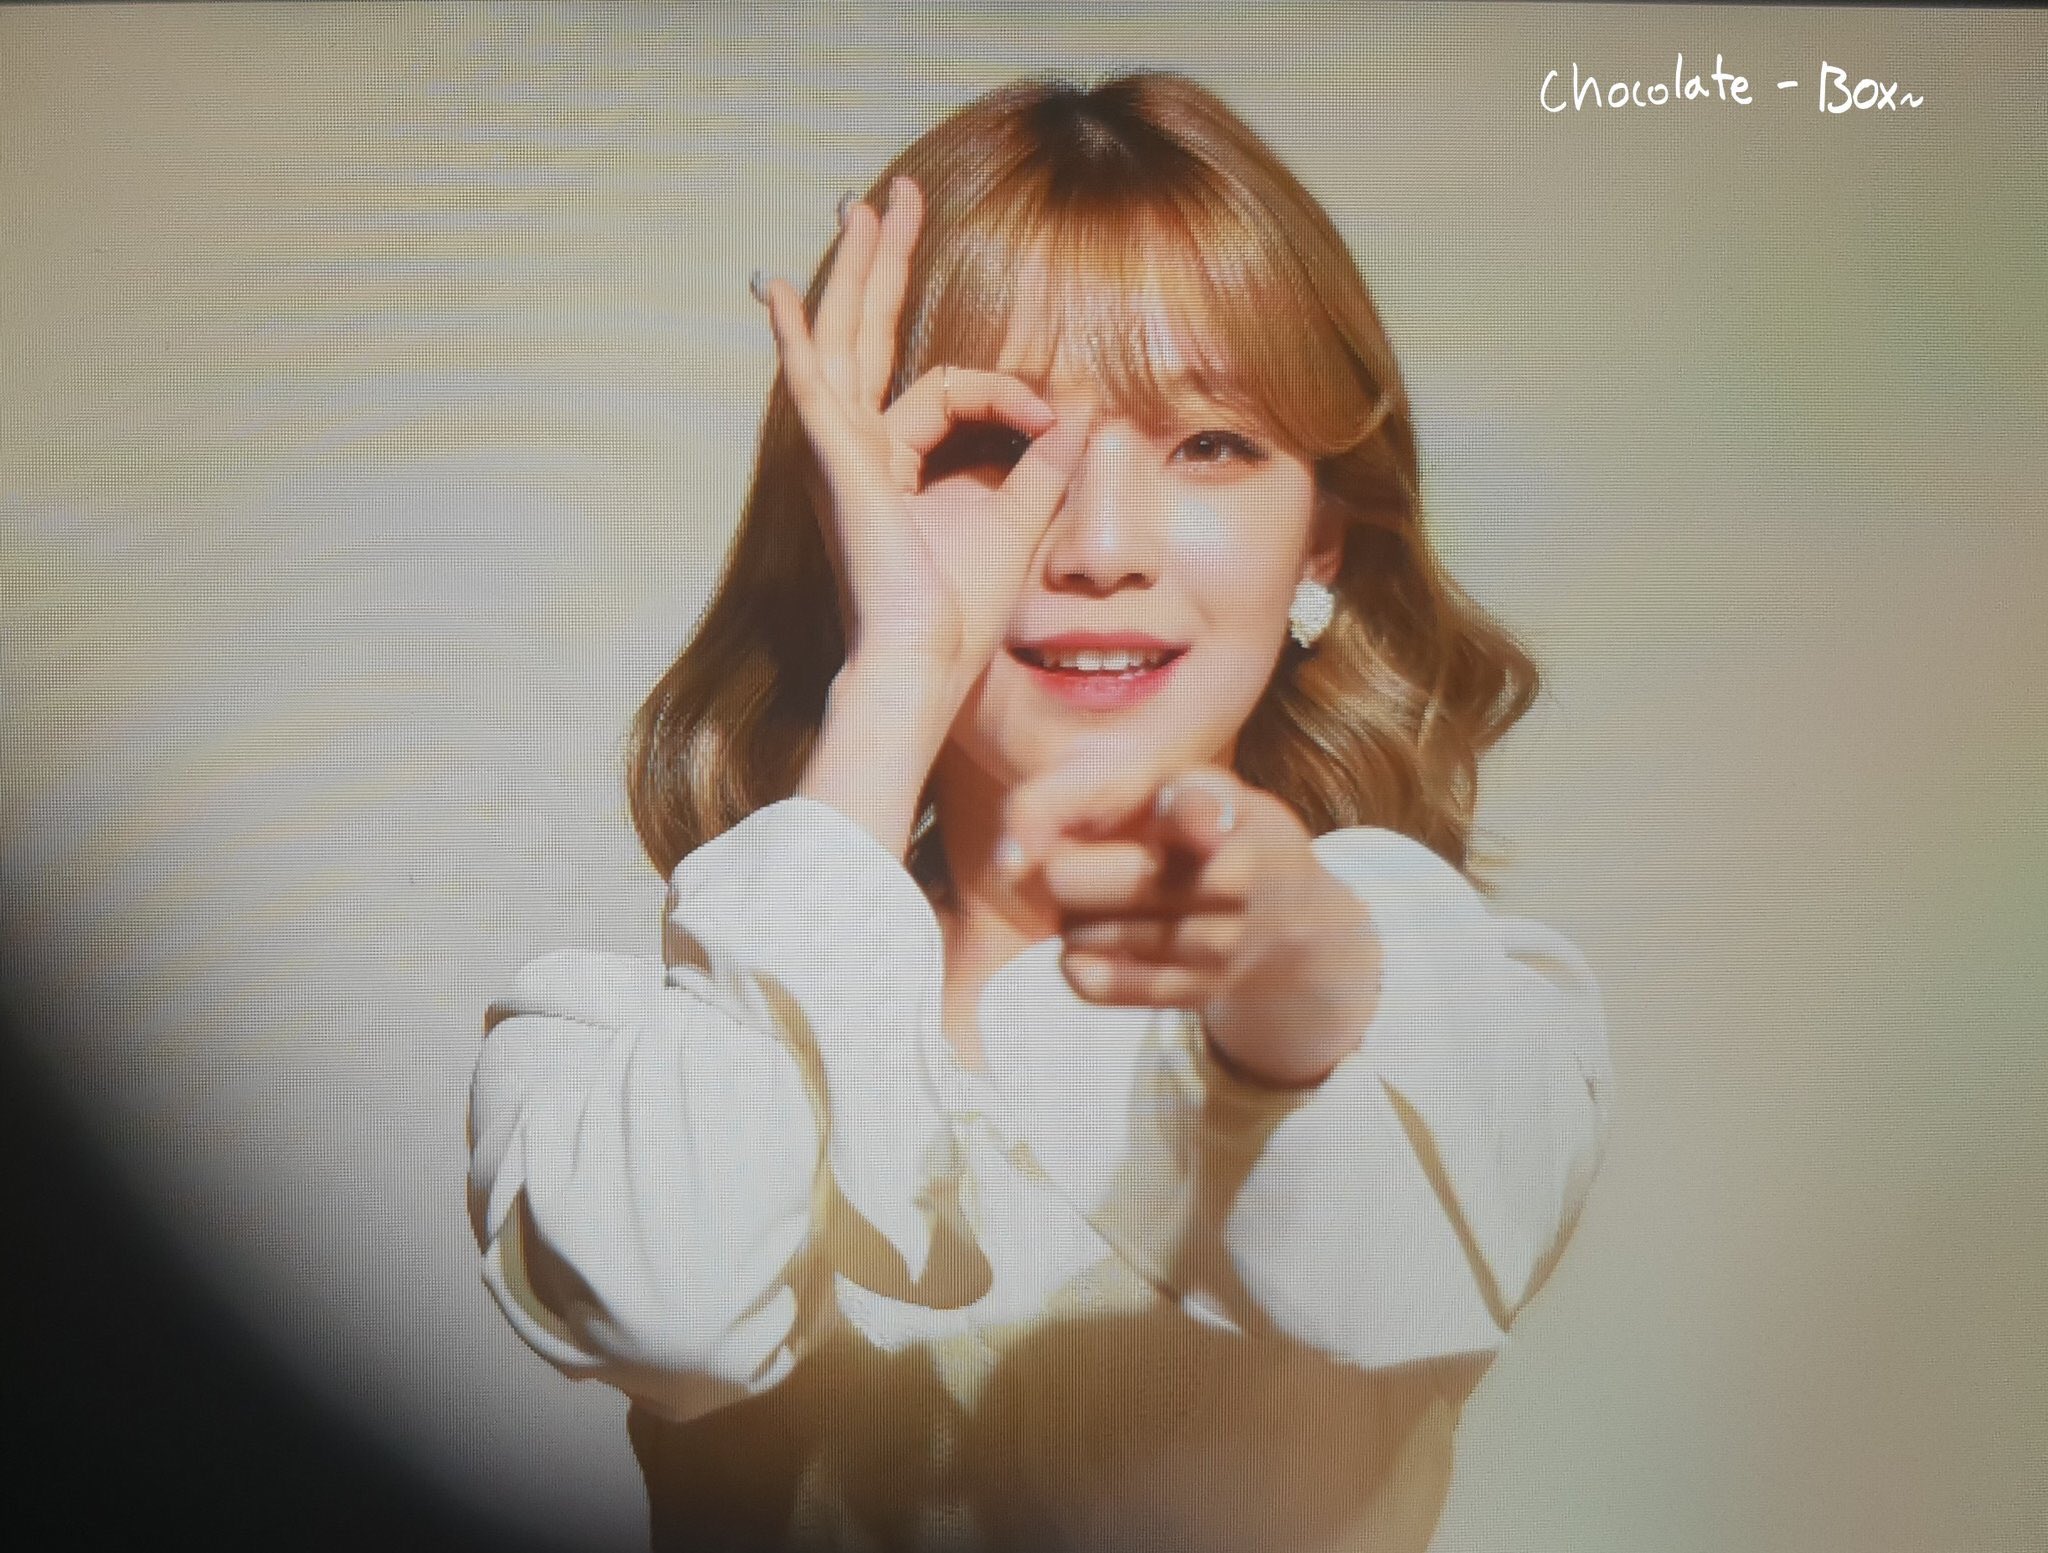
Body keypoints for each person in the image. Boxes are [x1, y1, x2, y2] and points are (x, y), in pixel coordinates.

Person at [468, 72, 1614, 1553]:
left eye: (1210, 443)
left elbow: (1381, 1259)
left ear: (1322, 540)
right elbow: (665, 1303)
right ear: (854, 504)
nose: (1103, 547)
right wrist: (894, 680)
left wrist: (1287, 982)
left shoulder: (1450, 1000)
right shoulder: (631, 1042)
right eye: (1001, 447)